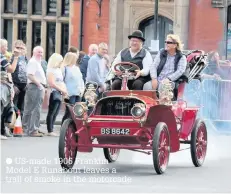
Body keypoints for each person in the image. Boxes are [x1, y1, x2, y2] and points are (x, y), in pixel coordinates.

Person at [22, 46, 47, 137]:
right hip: (35, 87)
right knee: (35, 108)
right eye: (38, 52)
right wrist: (39, 85)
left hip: (36, 86)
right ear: (33, 52)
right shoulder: (33, 62)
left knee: (30, 108)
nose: (40, 54)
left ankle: (27, 129)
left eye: (41, 52)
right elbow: (30, 75)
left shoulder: (37, 62)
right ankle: (33, 130)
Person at [1, 39, 21, 140]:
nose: (7, 48)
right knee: (1, 109)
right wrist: (16, 57)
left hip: (6, 85)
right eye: (5, 46)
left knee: (6, 109)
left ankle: (3, 130)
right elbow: (11, 69)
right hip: (2, 87)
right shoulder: (1, 57)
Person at [46, 53, 68, 136]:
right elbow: (52, 83)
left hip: (59, 91)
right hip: (53, 91)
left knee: (56, 111)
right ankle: (50, 130)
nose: (61, 63)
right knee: (52, 111)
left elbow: (61, 82)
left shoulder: (58, 70)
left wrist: (64, 90)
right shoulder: (51, 70)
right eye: (60, 61)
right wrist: (62, 89)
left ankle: (52, 128)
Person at [61, 52, 84, 124]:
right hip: (69, 93)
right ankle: (64, 127)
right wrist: (64, 92)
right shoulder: (64, 68)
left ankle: (74, 127)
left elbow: (81, 79)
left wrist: (82, 89)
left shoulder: (77, 68)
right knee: (69, 112)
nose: (76, 60)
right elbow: (62, 81)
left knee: (77, 112)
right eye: (75, 58)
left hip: (78, 92)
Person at [11, 40, 28, 117]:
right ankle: (12, 126)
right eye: (18, 47)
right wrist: (13, 85)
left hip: (24, 85)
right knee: (13, 106)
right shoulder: (12, 58)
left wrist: (27, 83)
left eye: (22, 48)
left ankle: (19, 126)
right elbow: (10, 72)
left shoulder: (26, 59)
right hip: (15, 84)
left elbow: (29, 72)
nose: (20, 50)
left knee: (22, 107)